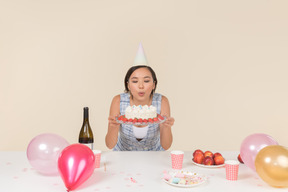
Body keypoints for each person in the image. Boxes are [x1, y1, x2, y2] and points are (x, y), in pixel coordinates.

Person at [105, 65, 175, 151]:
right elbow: (109, 145)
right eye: (135, 81)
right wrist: (113, 127)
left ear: (154, 84)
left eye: (146, 81)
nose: (141, 86)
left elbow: (166, 146)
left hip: (154, 156)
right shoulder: (118, 101)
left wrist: (166, 127)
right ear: (128, 86)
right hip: (123, 155)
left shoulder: (162, 101)